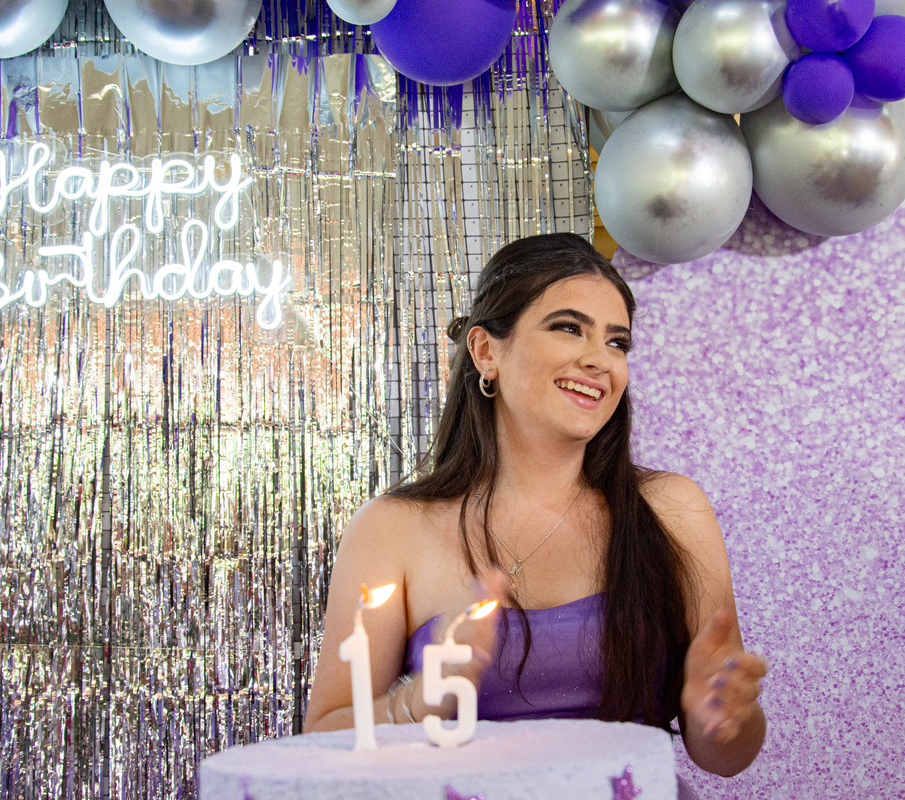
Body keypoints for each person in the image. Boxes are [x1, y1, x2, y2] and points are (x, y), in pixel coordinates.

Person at [303, 233, 767, 779]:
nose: (599, 360)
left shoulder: (673, 510)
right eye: (569, 328)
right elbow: (322, 743)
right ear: (486, 352)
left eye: (617, 342)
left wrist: (719, 717)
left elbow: (727, 755)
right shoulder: (391, 528)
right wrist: (419, 701)